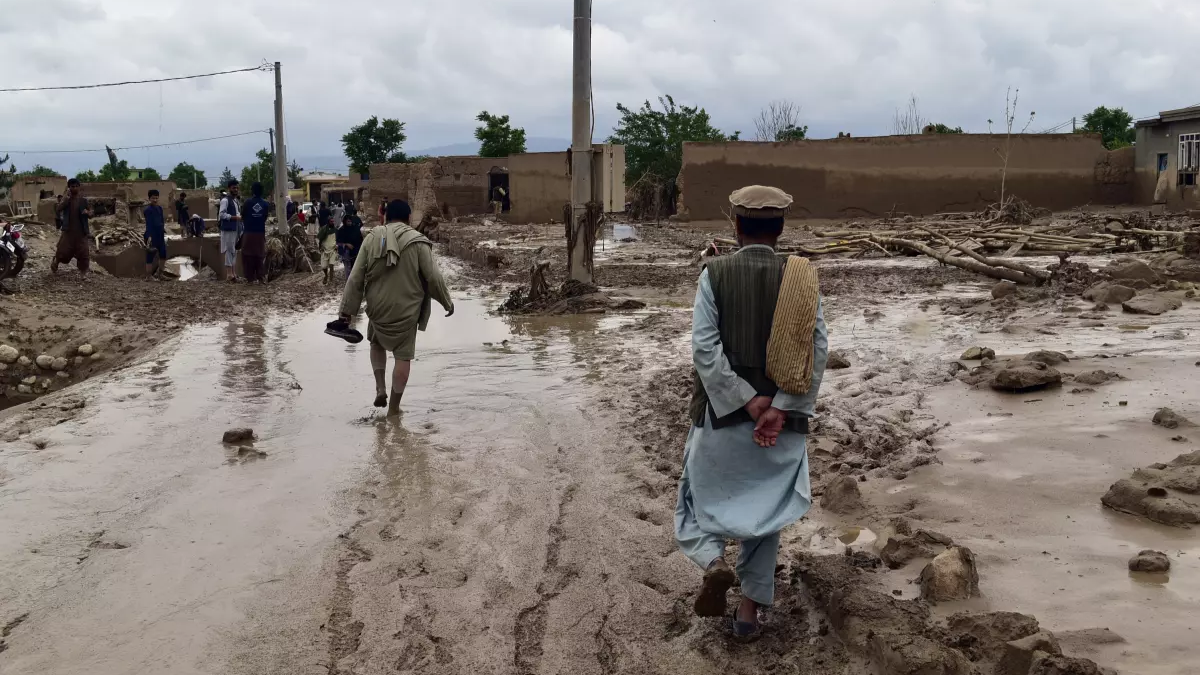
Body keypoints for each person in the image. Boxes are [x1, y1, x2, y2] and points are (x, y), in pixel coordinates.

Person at [674, 185, 828, 638]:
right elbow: (816, 350)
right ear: (780, 228)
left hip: (721, 417)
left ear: (736, 226)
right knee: (766, 514)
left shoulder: (714, 273)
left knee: (692, 500)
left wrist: (744, 398)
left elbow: (704, 349)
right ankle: (746, 616)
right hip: (781, 427)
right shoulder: (802, 276)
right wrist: (780, 407)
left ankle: (713, 561)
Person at [336, 199, 453, 416]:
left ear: (386, 217)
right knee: (403, 357)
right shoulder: (419, 242)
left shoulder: (371, 239)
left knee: (376, 343)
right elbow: (433, 278)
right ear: (408, 219)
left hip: (378, 308)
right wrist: (447, 301)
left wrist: (346, 313)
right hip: (407, 311)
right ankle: (394, 409)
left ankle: (380, 388)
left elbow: (355, 277)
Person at [52, 178, 93, 276]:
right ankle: (56, 262)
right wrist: (66, 199)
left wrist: (87, 212)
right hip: (68, 232)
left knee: (84, 254)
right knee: (63, 252)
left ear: (79, 187)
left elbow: (91, 214)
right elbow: (58, 209)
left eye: (76, 186)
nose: (74, 188)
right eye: (72, 187)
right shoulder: (67, 200)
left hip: (81, 233)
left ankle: (83, 273)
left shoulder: (84, 201)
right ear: (69, 188)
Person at [241, 182, 271, 284]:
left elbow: (243, 216)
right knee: (259, 254)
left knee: (248, 254)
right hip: (260, 232)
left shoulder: (247, 202)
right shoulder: (265, 204)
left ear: (252, 191)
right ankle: (260, 277)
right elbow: (264, 218)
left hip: (248, 232)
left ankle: (250, 278)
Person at [219, 180, 242, 282]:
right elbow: (222, 215)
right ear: (229, 189)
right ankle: (229, 274)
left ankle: (233, 273)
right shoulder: (225, 200)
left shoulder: (235, 201)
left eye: (237, 188)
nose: (236, 190)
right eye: (234, 188)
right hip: (228, 229)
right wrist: (234, 218)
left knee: (234, 250)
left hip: (236, 228)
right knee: (229, 250)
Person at [144, 189, 168, 280]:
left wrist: (163, 230)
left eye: (156, 198)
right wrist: (149, 237)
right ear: (149, 198)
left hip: (160, 234)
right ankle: (149, 276)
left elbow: (162, 220)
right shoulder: (148, 210)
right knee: (150, 256)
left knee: (163, 254)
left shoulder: (160, 208)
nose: (155, 200)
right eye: (153, 198)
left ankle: (160, 274)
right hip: (151, 235)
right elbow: (149, 224)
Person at [335, 212, 363, 281]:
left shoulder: (355, 229)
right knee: (348, 268)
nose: (349, 222)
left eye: (350, 221)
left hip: (356, 251)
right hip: (346, 252)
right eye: (348, 221)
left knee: (356, 267)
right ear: (345, 221)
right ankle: (349, 282)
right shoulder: (341, 230)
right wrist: (346, 244)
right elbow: (338, 242)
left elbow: (360, 239)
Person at [317, 214, 339, 285]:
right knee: (324, 266)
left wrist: (337, 246)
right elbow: (318, 239)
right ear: (328, 222)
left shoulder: (335, 230)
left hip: (333, 250)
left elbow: (339, 239)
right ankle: (326, 275)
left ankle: (331, 280)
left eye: (333, 221)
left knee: (331, 264)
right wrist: (320, 247)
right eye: (331, 222)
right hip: (324, 250)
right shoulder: (323, 229)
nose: (333, 223)